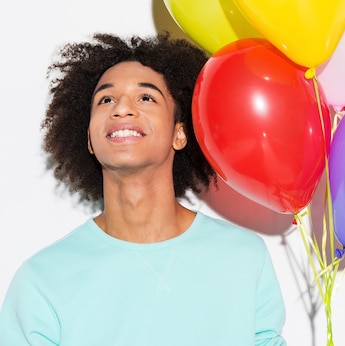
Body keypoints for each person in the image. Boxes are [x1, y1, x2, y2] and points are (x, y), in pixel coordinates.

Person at [0, 33, 286, 345]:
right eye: (106, 100)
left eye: (146, 98)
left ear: (180, 134)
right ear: (89, 142)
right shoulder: (43, 280)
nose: (122, 108)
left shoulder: (243, 258)